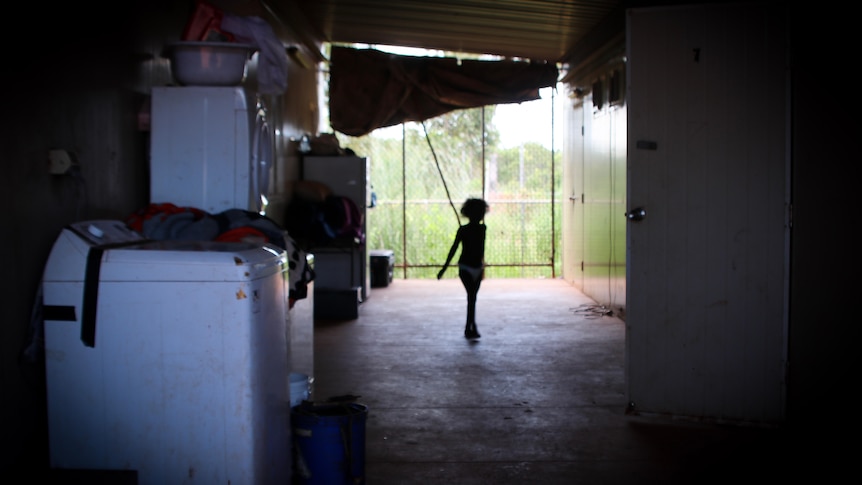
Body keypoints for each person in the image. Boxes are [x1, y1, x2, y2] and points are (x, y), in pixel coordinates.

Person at [437, 198, 489, 339]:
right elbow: (475, 250)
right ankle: (471, 327)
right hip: (472, 267)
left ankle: (470, 327)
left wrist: (444, 268)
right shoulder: (482, 229)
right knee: (472, 297)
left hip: (468, 266)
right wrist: (444, 268)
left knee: (471, 297)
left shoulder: (465, 230)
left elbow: (454, 249)